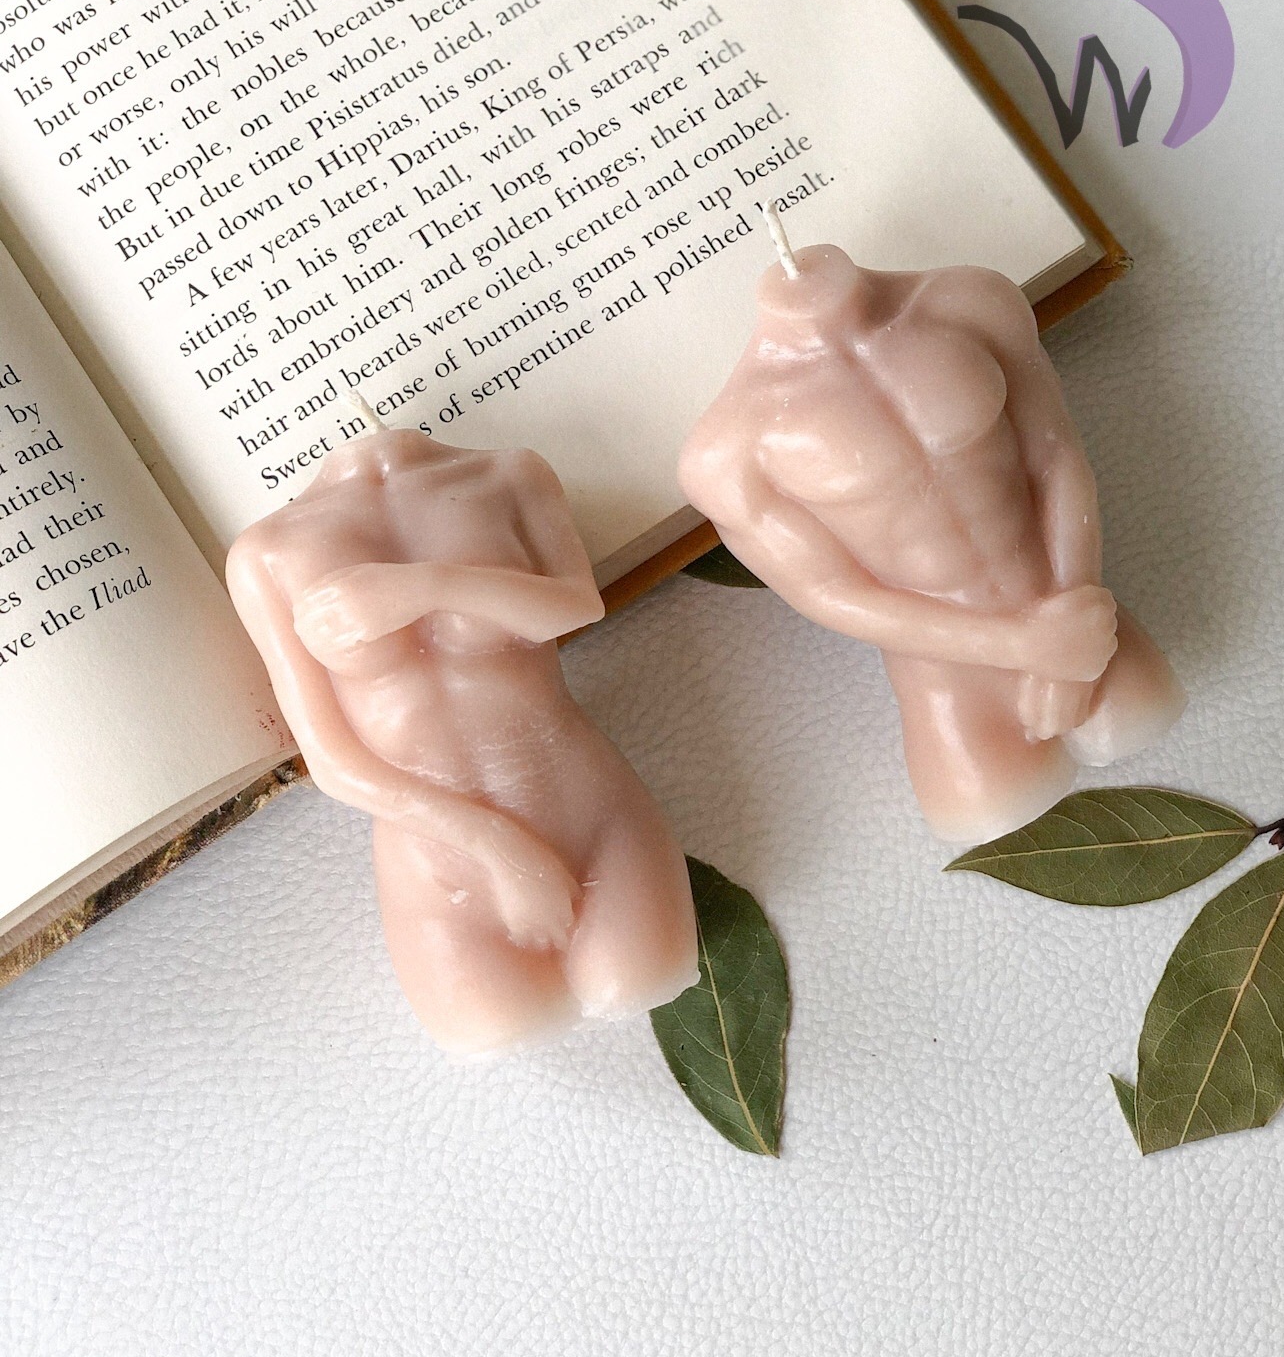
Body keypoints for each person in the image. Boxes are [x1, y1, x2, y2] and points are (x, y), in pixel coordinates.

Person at [679, 232, 1185, 842]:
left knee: (1142, 717)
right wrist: (1027, 645)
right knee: (991, 808)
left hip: (1079, 617)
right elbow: (831, 594)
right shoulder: (728, 450)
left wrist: (1076, 616)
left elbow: (1054, 456)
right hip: (953, 685)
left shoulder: (971, 303)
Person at [227, 421, 698, 1056]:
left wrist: (425, 586)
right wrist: (499, 851)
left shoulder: (508, 474)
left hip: (585, 807)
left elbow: (576, 605)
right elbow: (331, 762)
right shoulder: (267, 554)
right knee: (496, 1025)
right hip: (437, 858)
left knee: (639, 975)